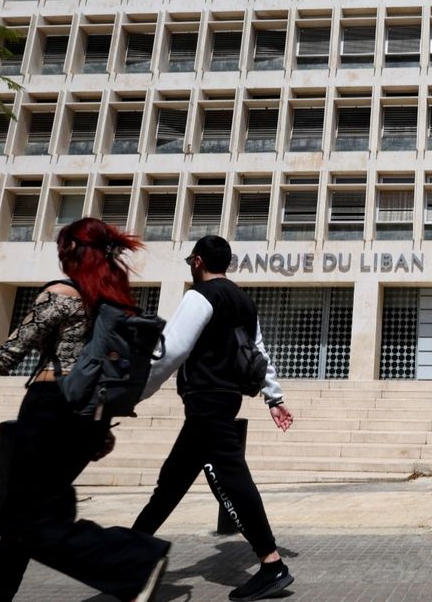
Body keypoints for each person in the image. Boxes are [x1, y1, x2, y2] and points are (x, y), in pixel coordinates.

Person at [0, 218, 170, 602]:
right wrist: (100, 426)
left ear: (74, 251)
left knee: (29, 522)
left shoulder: (61, 294)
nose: (60, 256)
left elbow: (6, 356)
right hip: (85, 419)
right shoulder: (113, 301)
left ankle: (136, 559)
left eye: (63, 248)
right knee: (25, 525)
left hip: (48, 411)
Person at [132, 235, 295, 602]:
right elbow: (258, 352)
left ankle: (271, 564)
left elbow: (171, 350)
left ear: (198, 261)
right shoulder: (243, 301)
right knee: (172, 481)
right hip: (226, 398)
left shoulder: (200, 295)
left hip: (206, 398)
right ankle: (129, 552)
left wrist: (136, 392)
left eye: (191, 261)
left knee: (232, 476)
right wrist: (274, 396)